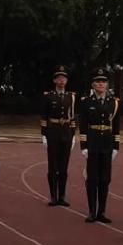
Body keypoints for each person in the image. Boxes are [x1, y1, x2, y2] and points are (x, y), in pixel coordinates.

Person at [77, 67, 121, 223]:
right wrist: (84, 146)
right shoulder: (86, 102)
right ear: (93, 84)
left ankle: (102, 211)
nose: (101, 84)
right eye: (98, 81)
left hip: (107, 143)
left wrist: (116, 146)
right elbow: (83, 125)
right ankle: (92, 211)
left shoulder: (114, 102)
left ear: (107, 84)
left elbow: (116, 126)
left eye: (103, 81)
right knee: (92, 179)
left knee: (105, 179)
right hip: (93, 142)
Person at [40, 65, 76, 206]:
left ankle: (62, 196)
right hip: (53, 132)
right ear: (54, 80)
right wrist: (43, 134)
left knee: (63, 167)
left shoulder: (71, 97)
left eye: (64, 78)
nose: (62, 81)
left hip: (66, 132)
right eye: (59, 78)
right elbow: (44, 116)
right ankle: (53, 196)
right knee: (53, 166)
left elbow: (72, 117)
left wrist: (73, 134)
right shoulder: (48, 96)